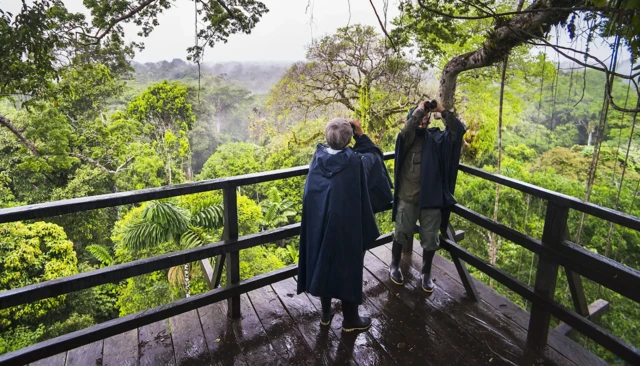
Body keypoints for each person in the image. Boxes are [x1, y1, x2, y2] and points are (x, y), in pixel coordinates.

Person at [297, 118, 392, 332]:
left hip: (320, 224)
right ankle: (351, 320)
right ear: (348, 139)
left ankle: (325, 314)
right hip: (347, 227)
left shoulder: (317, 159)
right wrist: (360, 134)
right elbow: (376, 156)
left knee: (324, 260)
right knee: (349, 267)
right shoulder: (355, 162)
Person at [390, 99, 466, 292]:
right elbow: (405, 132)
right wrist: (419, 111)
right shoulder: (407, 137)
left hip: (432, 198)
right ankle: (395, 264)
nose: (423, 119)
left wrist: (441, 109)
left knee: (431, 238)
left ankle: (426, 272)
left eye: (426, 116)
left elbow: (458, 130)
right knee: (401, 231)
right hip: (408, 195)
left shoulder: (437, 138)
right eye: (419, 116)